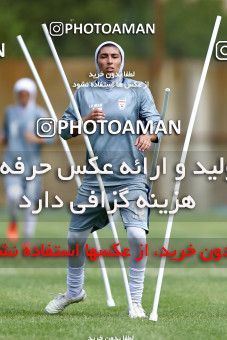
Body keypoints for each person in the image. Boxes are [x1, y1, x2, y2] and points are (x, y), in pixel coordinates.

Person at [45, 41, 162, 318]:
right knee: (75, 238)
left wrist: (148, 135)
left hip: (131, 177)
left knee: (136, 236)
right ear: (97, 61)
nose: (109, 61)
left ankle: (135, 302)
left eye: (115, 56)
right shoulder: (84, 92)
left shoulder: (138, 90)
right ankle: (74, 292)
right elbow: (63, 130)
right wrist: (84, 121)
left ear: (122, 60)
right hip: (95, 179)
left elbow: (157, 124)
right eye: (104, 56)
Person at [0, 78, 51, 240]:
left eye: (26, 94)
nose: (23, 97)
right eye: (20, 94)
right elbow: (6, 134)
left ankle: (28, 238)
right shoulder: (10, 112)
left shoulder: (39, 113)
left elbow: (51, 138)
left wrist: (36, 139)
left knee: (30, 202)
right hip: (12, 163)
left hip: (31, 166)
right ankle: (13, 220)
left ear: (32, 95)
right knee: (14, 195)